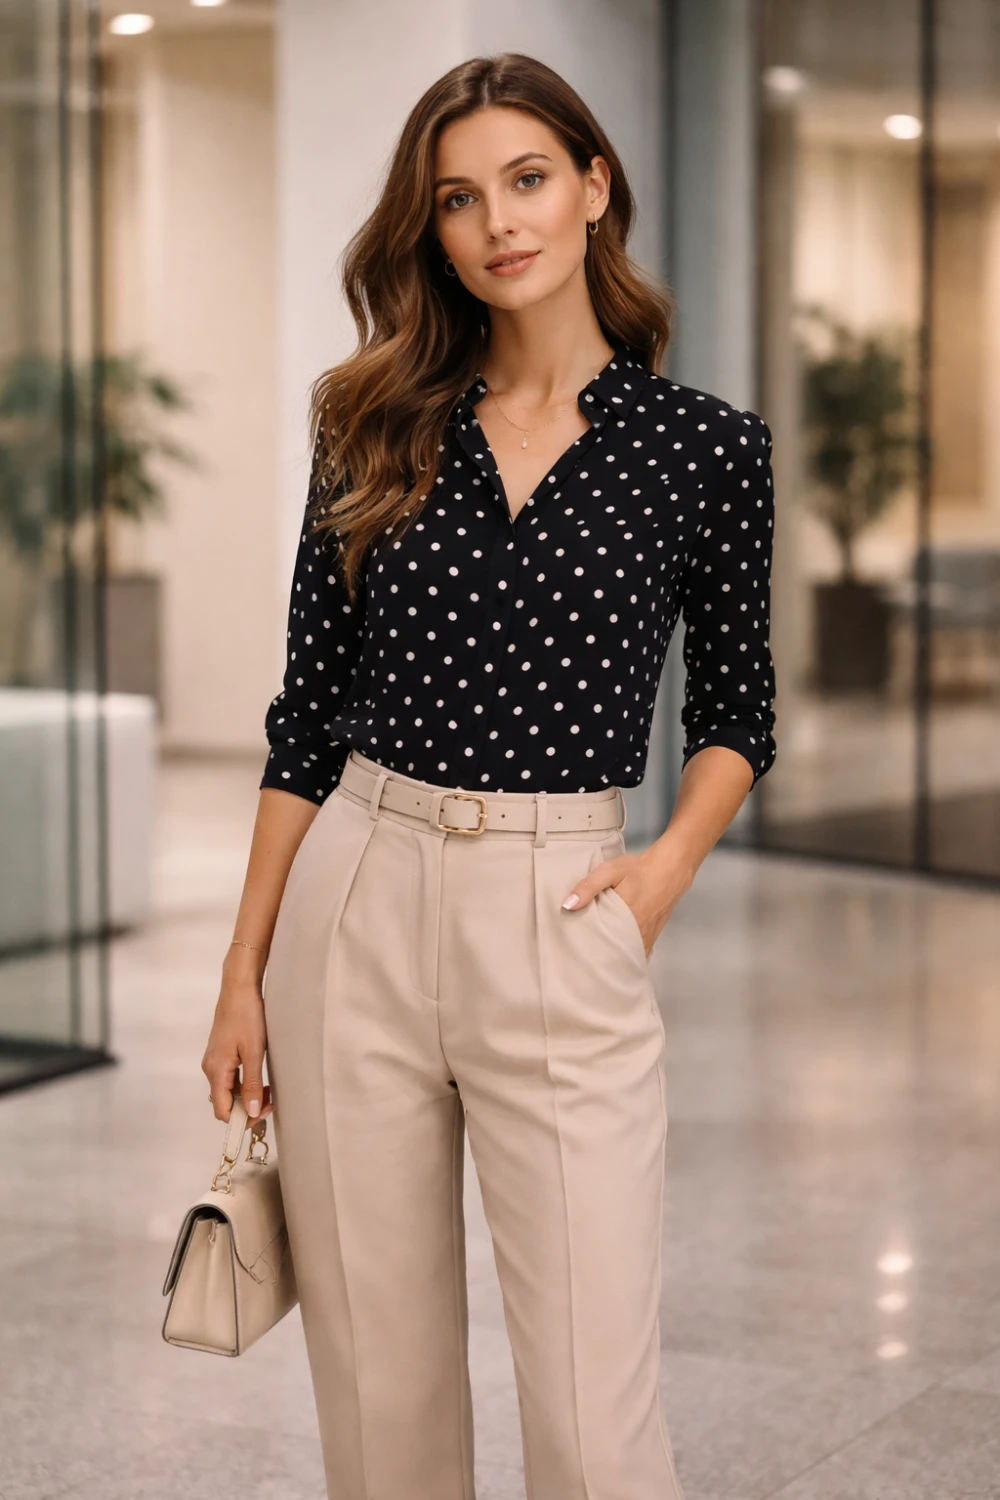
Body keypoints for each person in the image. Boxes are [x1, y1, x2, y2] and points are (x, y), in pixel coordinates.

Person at [202, 50, 776, 1500]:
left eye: (527, 180)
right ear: (433, 228)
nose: (496, 223)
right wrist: (242, 969)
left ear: (594, 188)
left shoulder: (705, 451)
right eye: (458, 198)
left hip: (564, 900)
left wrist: (662, 870)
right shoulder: (373, 420)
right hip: (359, 900)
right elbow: (306, 718)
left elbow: (738, 711)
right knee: (380, 1400)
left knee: (593, 1420)